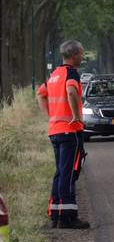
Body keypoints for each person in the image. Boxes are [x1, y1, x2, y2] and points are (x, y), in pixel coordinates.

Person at [37, 40, 90, 229]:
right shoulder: (71, 73)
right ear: (74, 54)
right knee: (69, 173)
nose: (82, 57)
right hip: (70, 131)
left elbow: (40, 94)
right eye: (81, 54)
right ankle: (68, 217)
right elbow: (71, 91)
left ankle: (56, 214)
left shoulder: (54, 74)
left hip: (55, 130)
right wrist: (76, 115)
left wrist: (51, 115)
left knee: (60, 173)